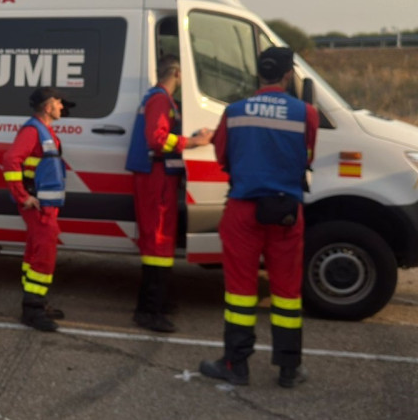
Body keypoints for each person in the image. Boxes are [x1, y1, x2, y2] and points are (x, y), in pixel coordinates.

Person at [199, 47, 319, 388]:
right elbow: (306, 156)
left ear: (259, 73)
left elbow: (222, 155)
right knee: (286, 292)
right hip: (285, 213)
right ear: (286, 75)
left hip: (243, 210)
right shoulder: (306, 113)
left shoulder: (234, 112)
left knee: (240, 291)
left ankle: (236, 364)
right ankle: (288, 369)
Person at [125, 55, 214, 333]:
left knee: (160, 243)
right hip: (156, 178)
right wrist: (194, 141)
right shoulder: (161, 99)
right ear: (176, 72)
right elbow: (157, 139)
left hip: (158, 177)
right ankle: (148, 310)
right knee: (157, 242)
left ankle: (156, 301)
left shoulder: (160, 98)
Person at [1, 87, 74, 332]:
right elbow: (11, 160)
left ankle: (36, 303)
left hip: (46, 206)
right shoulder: (33, 130)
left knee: (35, 253)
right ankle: (32, 310)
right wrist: (23, 196)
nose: (62, 106)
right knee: (44, 256)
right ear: (47, 106)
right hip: (38, 206)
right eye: (58, 102)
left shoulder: (45, 131)